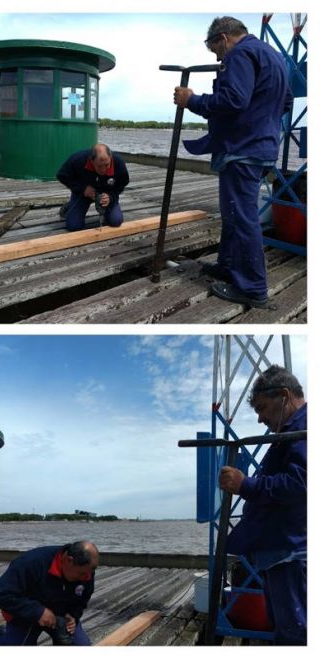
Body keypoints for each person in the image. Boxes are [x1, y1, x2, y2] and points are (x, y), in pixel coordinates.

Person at [173, 16, 293, 308]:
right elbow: (286, 102)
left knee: (242, 218)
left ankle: (252, 287)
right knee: (233, 213)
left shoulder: (239, 53)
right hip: (260, 146)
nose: (217, 56)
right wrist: (261, 121)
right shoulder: (273, 57)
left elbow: (233, 100)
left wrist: (192, 100)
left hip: (243, 148)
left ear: (223, 39)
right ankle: (227, 265)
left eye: (215, 50)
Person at [219, 365, 306, 645]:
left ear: (284, 396)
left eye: (262, 408)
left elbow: (301, 484)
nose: (260, 419)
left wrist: (246, 485)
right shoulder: (292, 430)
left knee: (296, 635)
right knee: (286, 629)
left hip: (291, 553)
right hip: (282, 551)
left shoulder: (304, 429)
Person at [0, 540, 99, 646]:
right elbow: (0, 593)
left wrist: (73, 615)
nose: (86, 578)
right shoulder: (31, 563)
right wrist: (38, 611)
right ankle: (2, 635)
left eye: (89, 574)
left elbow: (84, 597)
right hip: (26, 617)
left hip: (61, 617)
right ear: (69, 560)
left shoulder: (86, 571)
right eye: (82, 574)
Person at [56, 143, 129, 231]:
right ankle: (68, 207)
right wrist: (83, 188)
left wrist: (111, 197)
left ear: (111, 157)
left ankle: (106, 212)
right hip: (83, 194)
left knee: (116, 221)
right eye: (99, 166)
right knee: (74, 226)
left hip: (107, 193)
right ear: (91, 160)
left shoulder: (118, 162)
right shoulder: (78, 159)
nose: (103, 170)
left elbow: (122, 183)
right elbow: (62, 175)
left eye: (107, 165)